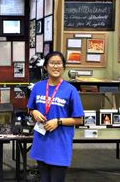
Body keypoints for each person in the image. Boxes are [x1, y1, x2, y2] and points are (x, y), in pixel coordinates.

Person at [27, 51, 84, 182]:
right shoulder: (38, 87)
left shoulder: (70, 90)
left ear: (63, 67)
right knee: (44, 179)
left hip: (60, 144)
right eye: (52, 63)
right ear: (46, 67)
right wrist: (33, 112)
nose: (55, 66)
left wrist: (58, 121)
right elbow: (30, 108)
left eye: (59, 63)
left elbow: (79, 119)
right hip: (41, 142)